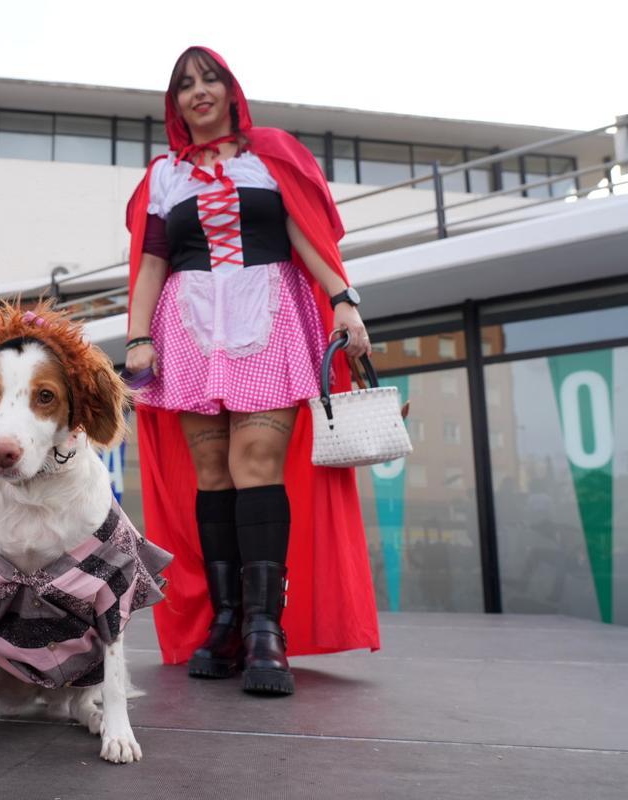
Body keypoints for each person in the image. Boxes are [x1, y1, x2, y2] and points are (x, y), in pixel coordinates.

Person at [125, 47, 379, 695]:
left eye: (209, 79)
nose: (198, 91)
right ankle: (228, 620)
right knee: (212, 473)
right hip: (187, 325)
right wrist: (136, 336)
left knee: (257, 464)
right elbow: (152, 262)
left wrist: (345, 300)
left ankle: (268, 628)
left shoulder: (270, 157)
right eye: (185, 85)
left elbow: (305, 234)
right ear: (174, 104)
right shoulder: (164, 178)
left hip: (268, 314)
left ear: (231, 91)